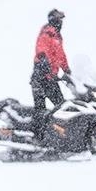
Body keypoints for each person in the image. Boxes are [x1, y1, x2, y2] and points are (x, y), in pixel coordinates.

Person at [30, 8, 71, 138]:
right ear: (54, 20)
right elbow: (41, 49)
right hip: (40, 78)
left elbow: (61, 56)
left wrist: (67, 70)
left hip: (50, 78)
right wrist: (43, 61)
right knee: (40, 109)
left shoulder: (57, 37)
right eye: (59, 19)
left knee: (61, 106)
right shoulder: (46, 34)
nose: (61, 22)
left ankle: (62, 136)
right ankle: (38, 137)